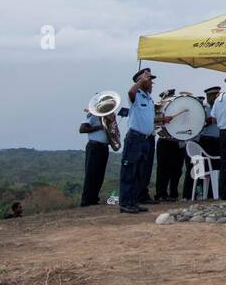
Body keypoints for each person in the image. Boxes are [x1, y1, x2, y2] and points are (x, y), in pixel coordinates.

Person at [120, 68, 167, 214]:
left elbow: (149, 118)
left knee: (140, 173)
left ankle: (134, 201)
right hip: (135, 138)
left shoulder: (148, 98)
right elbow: (130, 93)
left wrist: (163, 119)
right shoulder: (136, 95)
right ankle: (125, 203)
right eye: (149, 80)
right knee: (129, 172)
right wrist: (141, 81)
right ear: (141, 81)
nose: (151, 83)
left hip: (146, 139)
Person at [79, 101, 111, 207]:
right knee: (91, 174)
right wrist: (101, 127)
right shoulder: (92, 115)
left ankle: (94, 198)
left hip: (104, 147)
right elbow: (82, 129)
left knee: (99, 175)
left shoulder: (108, 115)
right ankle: (86, 200)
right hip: (94, 146)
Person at [153, 90, 184, 202]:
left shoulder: (179, 110)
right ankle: (160, 194)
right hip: (165, 141)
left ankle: (173, 194)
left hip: (178, 142)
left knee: (177, 170)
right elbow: (155, 123)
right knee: (163, 170)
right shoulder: (158, 108)